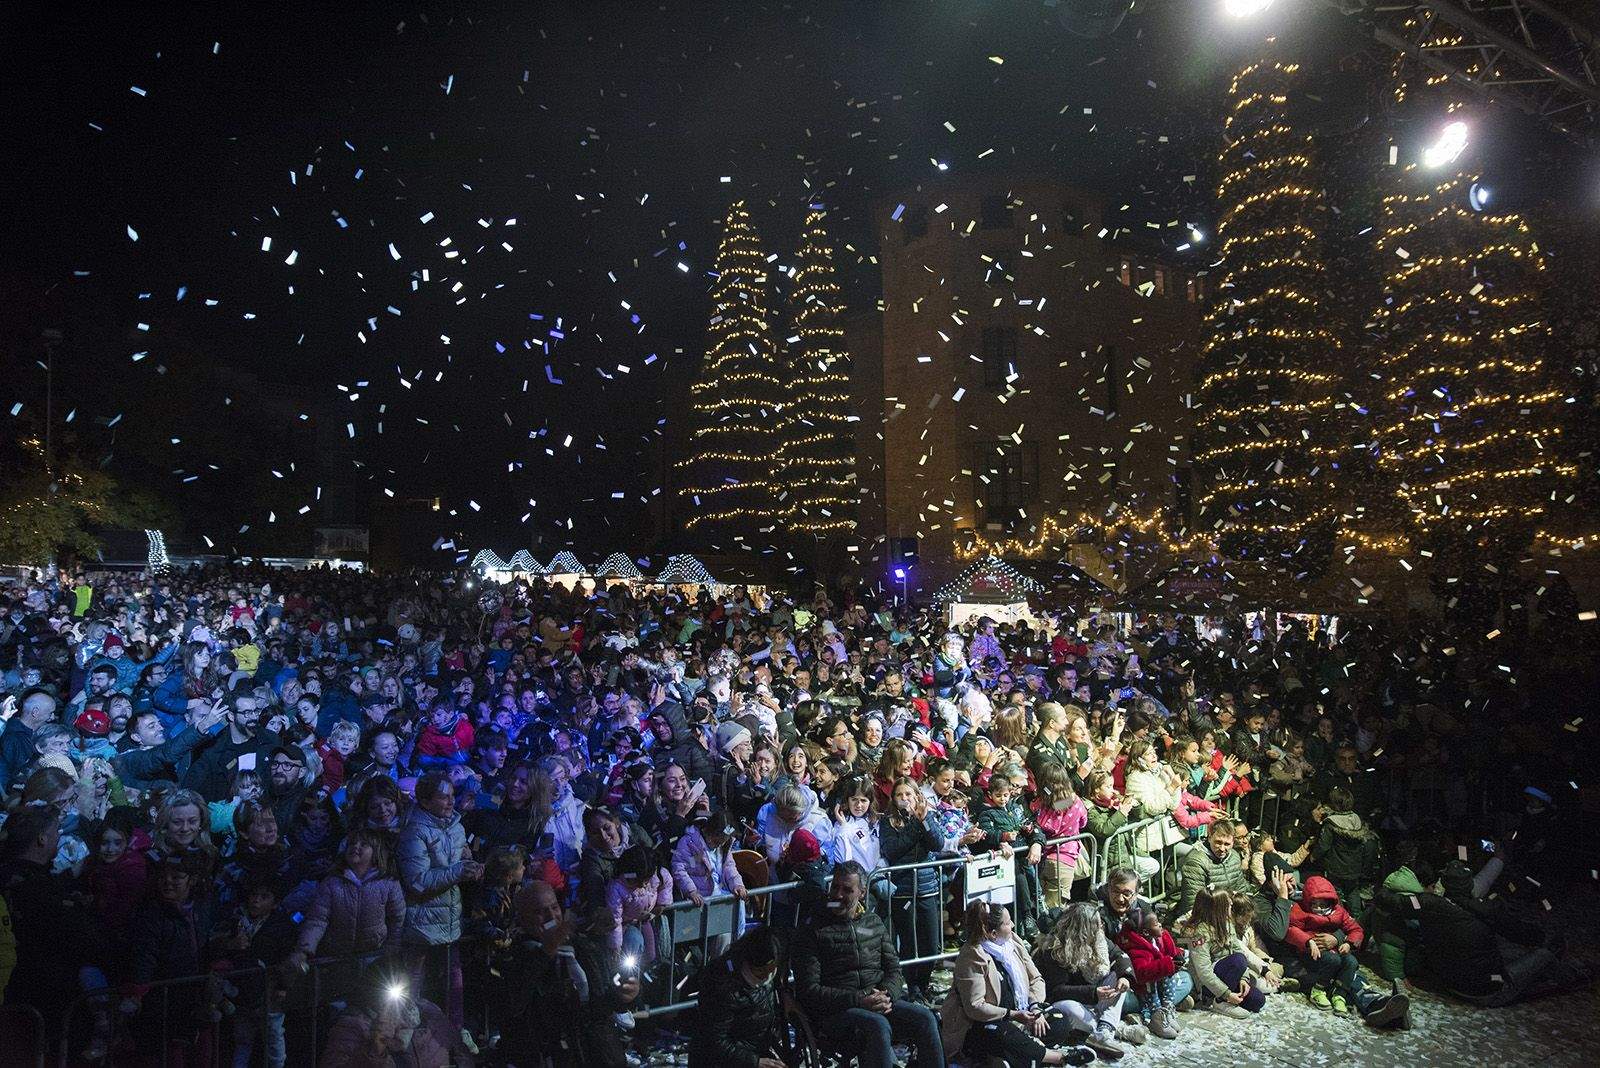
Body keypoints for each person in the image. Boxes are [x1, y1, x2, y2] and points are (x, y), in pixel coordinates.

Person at [790, 861, 944, 1068]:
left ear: (862, 893)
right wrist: (859, 1000)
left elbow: (894, 969)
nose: (838, 895)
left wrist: (887, 994)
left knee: (925, 1017)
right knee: (877, 1025)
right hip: (836, 1010)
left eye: (847, 890)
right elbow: (809, 990)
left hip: (876, 999)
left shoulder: (872, 923)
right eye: (835, 887)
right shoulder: (815, 928)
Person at [940, 901, 1093, 1067]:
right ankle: (1060, 1058)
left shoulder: (1012, 942)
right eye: (1007, 923)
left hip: (1023, 1015)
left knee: (1059, 1021)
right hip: (986, 1024)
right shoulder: (972, 956)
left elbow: (1036, 978)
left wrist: (1035, 1007)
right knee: (1003, 1034)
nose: (1013, 925)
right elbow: (975, 1007)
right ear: (992, 933)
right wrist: (1012, 1015)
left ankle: (1012, 1057)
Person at [396, 771, 483, 1033]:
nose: (451, 802)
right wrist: (458, 871)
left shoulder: (455, 825)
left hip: (450, 920)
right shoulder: (414, 832)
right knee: (414, 984)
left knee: (454, 984)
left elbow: (459, 861)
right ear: (424, 801)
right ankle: (410, 1037)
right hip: (421, 924)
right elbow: (417, 880)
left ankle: (454, 1033)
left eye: (452, 796)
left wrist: (472, 866)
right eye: (443, 798)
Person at [687, 926, 786, 1068]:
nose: (767, 976)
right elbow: (714, 1040)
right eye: (761, 971)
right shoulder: (722, 986)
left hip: (754, 1049)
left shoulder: (769, 971)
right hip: (723, 1060)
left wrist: (785, 998)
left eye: (771, 970)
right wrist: (754, 1062)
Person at [1284, 875, 1365, 1014]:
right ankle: (1319, 989)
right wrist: (1307, 941)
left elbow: (1355, 929)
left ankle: (1340, 994)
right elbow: (1291, 929)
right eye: (1314, 904)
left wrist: (1349, 943)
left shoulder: (1339, 911)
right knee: (1332, 960)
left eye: (1322, 904)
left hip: (1335, 948)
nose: (1319, 908)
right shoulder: (1300, 910)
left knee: (1351, 961)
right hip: (1311, 950)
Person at [1113, 909, 1184, 1039]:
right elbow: (1141, 973)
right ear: (1146, 931)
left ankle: (1167, 1008)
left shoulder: (1154, 939)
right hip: (1142, 990)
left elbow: (1167, 953)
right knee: (1152, 982)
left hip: (1159, 984)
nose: (1160, 925)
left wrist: (1176, 955)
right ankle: (1156, 1016)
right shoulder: (1136, 949)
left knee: (1181, 978)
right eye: (1156, 924)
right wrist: (1167, 964)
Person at [1177, 817, 1250, 914]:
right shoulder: (1196, 861)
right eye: (1218, 843)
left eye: (1227, 844)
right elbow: (1193, 902)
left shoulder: (1234, 857)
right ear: (1210, 837)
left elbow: (1241, 888)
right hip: (1208, 914)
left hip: (1230, 911)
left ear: (1233, 842)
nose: (1222, 849)